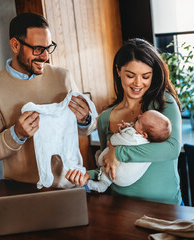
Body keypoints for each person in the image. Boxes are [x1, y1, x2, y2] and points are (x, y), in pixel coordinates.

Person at [0, 13, 95, 187]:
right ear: (15, 45)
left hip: (69, 186)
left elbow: (87, 129)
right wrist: (16, 134)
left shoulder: (62, 77)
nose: (45, 56)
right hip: (22, 190)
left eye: (48, 47)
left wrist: (85, 120)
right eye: (38, 49)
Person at [66, 38, 183, 205]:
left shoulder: (164, 104)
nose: (138, 83)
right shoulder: (105, 118)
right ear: (118, 71)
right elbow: (107, 167)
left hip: (166, 208)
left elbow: (171, 149)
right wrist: (87, 175)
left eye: (145, 76)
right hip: (121, 208)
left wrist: (119, 153)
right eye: (130, 75)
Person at [87, 110, 171, 193]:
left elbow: (116, 141)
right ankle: (102, 184)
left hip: (121, 174)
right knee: (107, 172)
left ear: (144, 134)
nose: (138, 116)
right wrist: (125, 127)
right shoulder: (146, 140)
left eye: (139, 121)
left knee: (103, 161)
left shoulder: (136, 139)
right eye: (141, 115)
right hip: (125, 178)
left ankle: (102, 182)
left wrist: (118, 133)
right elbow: (131, 130)